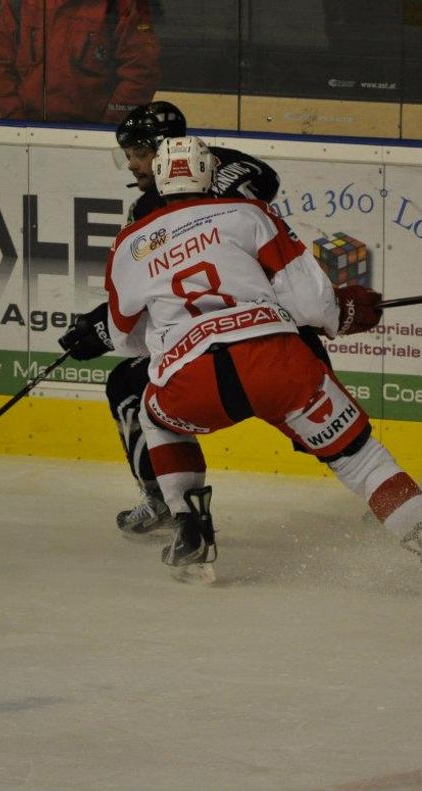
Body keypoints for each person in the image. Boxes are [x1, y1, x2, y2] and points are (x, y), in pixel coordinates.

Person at [63, 136, 422, 588]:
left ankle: (188, 525)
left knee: (153, 413)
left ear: (161, 181)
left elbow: (126, 339)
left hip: (192, 379)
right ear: (210, 173)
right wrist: (352, 311)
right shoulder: (249, 214)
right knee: (363, 462)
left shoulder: (129, 244)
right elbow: (313, 305)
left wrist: (175, 332)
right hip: (278, 364)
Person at [103, 101, 291, 536]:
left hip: (249, 323)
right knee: (126, 385)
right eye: (127, 154)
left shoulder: (227, 175)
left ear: (164, 149)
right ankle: (161, 500)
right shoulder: (145, 211)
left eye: (137, 153)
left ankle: (170, 505)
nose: (131, 165)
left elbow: (261, 183)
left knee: (141, 395)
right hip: (251, 331)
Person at [0, 0, 160, 123]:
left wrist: (105, 131)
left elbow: (140, 73)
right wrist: (16, 122)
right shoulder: (19, 3)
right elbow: (1, 63)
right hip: (24, 134)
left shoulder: (122, 4)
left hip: (93, 141)